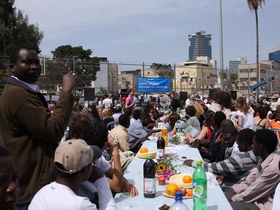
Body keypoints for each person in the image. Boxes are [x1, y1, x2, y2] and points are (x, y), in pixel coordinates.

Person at [0, 44, 77, 208]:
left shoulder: (21, 91)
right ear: (13, 67)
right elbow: (54, 129)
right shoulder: (20, 95)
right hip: (29, 188)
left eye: (36, 62)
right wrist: (66, 93)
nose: (34, 66)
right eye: (27, 62)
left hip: (29, 183)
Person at [29, 139, 116, 210]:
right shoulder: (80, 205)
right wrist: (101, 181)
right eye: (90, 164)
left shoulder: (41, 194)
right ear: (85, 171)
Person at [184, 129, 259, 191]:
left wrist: (194, 163)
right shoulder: (255, 157)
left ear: (244, 144)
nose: (237, 145)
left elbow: (216, 167)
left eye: (238, 143)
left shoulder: (242, 159)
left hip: (230, 189)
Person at [225, 129, 280, 210]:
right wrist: (227, 194)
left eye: (253, 143)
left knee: (226, 206)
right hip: (254, 197)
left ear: (261, 147)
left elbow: (253, 191)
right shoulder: (264, 158)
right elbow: (248, 182)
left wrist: (231, 200)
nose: (252, 146)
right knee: (220, 196)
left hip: (263, 204)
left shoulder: (273, 168)